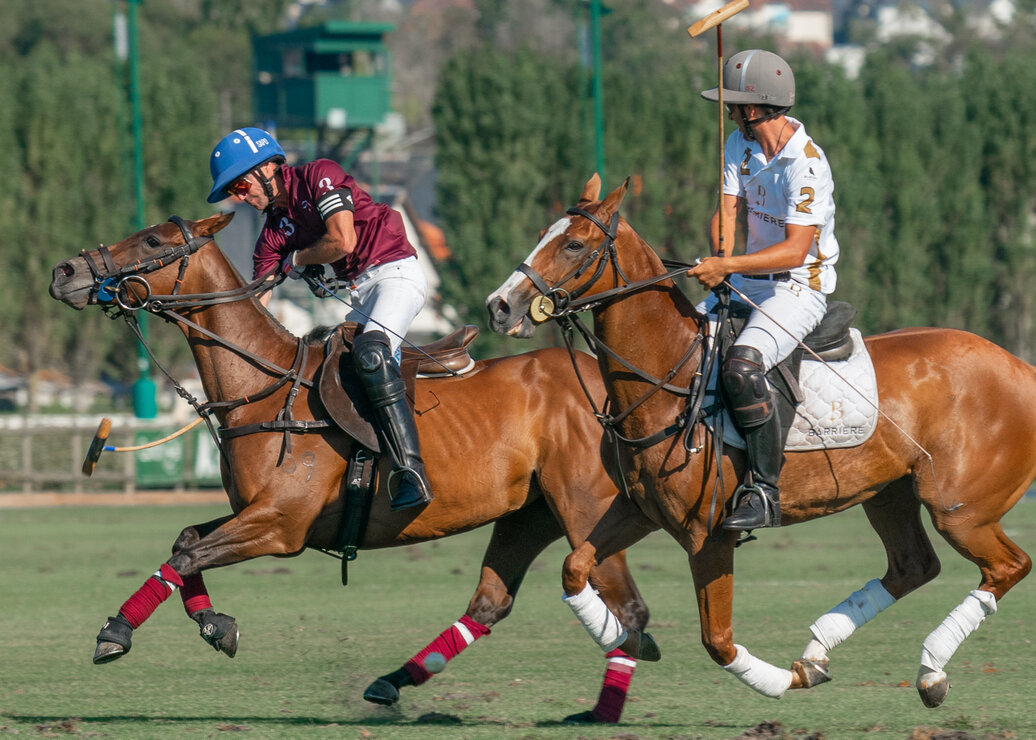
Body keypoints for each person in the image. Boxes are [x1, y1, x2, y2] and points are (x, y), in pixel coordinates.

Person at [206, 127, 432, 511]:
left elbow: (343, 241)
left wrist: (296, 260)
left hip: (395, 272)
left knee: (372, 355)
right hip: (360, 293)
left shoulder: (318, 175)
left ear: (266, 169)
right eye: (234, 194)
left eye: (241, 187)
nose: (240, 198)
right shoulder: (274, 234)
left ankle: (410, 471)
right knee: (330, 373)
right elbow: (255, 303)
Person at [687, 50, 840, 530]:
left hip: (799, 286)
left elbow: (796, 251)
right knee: (682, 344)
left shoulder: (808, 164)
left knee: (743, 365)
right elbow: (728, 213)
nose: (729, 113)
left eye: (733, 105)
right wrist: (721, 259)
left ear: (753, 109)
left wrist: (727, 264)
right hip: (747, 275)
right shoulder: (739, 143)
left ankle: (763, 490)